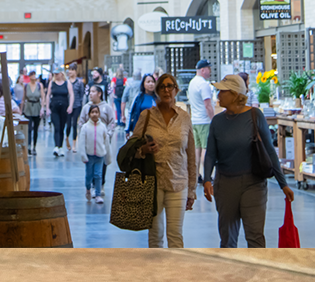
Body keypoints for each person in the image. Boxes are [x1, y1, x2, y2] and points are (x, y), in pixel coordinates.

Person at [201, 74, 293, 247]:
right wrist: (207, 179)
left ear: (235, 94)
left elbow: (270, 150)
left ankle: (256, 273)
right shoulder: (217, 121)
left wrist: (283, 183)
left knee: (255, 237)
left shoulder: (254, 115)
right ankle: (231, 273)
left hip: (254, 184)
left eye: (222, 91)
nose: (218, 95)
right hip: (225, 185)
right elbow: (211, 154)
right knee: (228, 239)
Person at [124, 72, 199, 247]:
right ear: (157, 91)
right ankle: (157, 272)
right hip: (152, 180)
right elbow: (131, 147)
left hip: (178, 182)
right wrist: (142, 150)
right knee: (155, 235)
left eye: (170, 86)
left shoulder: (184, 118)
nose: (166, 90)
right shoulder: (147, 116)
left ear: (176, 90)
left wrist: (192, 189)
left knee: (175, 235)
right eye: (162, 87)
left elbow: (191, 156)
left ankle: (174, 273)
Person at [75, 103, 118, 205]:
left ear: (99, 114)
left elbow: (106, 142)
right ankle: (88, 189)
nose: (94, 114)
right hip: (89, 156)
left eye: (96, 112)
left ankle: (98, 194)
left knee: (98, 175)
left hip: (100, 156)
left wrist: (108, 156)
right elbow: (82, 143)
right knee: (89, 176)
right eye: (92, 112)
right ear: (89, 114)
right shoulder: (85, 127)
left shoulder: (103, 127)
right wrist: (83, 155)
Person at [186, 60, 218, 157]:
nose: (210, 71)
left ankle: (196, 172)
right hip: (204, 121)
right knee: (205, 147)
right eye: (209, 68)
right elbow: (207, 105)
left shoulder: (192, 83)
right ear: (203, 70)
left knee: (197, 148)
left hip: (194, 120)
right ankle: (205, 171)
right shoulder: (204, 84)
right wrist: (213, 120)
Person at [46, 68, 76, 156]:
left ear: (61, 74)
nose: (56, 75)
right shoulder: (52, 83)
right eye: (54, 74)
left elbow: (71, 94)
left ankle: (60, 147)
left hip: (64, 108)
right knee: (57, 127)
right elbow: (48, 95)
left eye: (57, 74)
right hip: (54, 107)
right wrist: (47, 108)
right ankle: (56, 146)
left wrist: (70, 106)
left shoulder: (67, 83)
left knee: (62, 127)